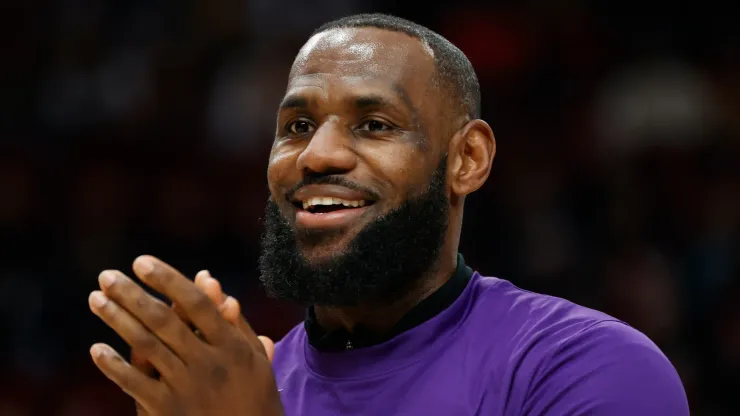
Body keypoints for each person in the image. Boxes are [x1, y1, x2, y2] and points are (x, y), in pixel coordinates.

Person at [87, 13, 690, 415]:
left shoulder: (583, 367)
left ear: (467, 160)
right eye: (296, 127)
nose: (317, 154)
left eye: (374, 125)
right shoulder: (232, 387)